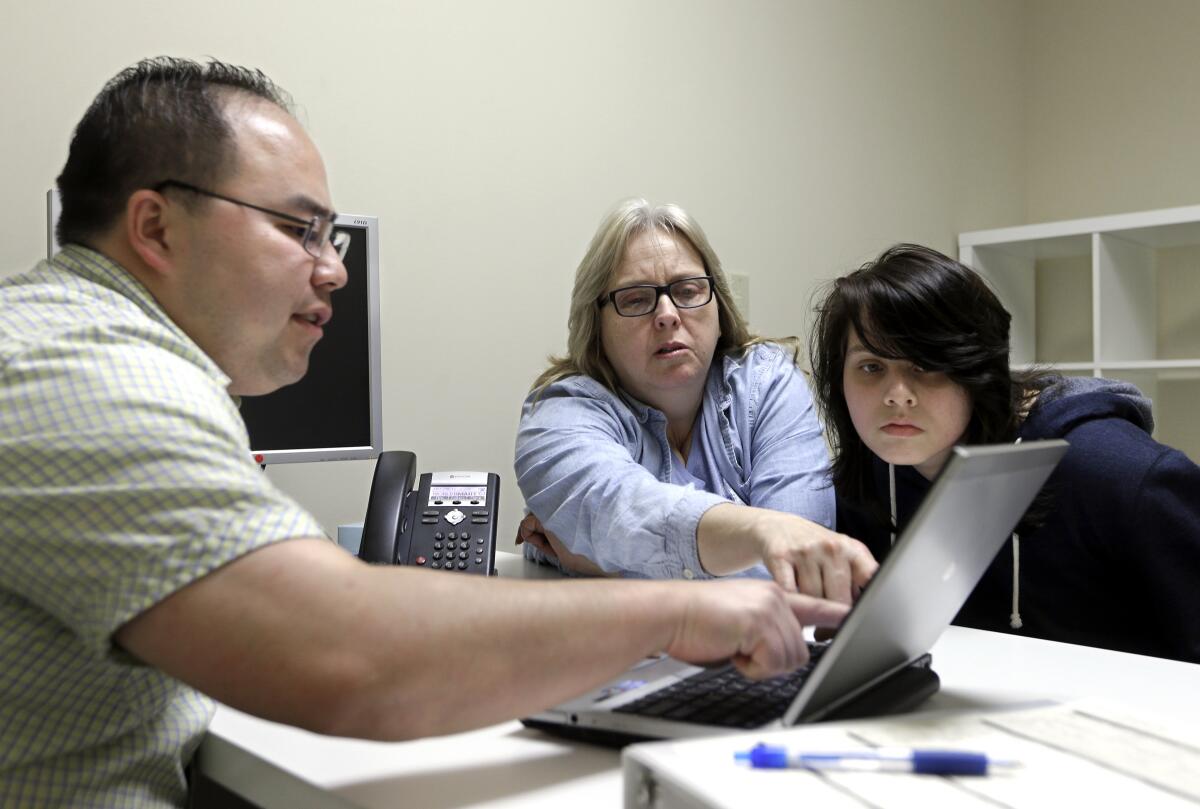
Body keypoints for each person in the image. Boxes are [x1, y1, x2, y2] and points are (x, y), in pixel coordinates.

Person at [0, 59, 850, 808]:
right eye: (299, 229)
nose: (334, 267)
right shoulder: (87, 377)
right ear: (154, 228)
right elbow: (350, 654)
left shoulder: (98, 356)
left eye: (331, 235)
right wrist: (675, 610)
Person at [808, 243, 1200, 663]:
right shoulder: (860, 484)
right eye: (871, 367)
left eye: (926, 366)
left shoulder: (1116, 472)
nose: (896, 396)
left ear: (979, 370)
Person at [514, 199, 877, 600]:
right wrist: (762, 534)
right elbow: (614, 505)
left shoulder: (766, 382)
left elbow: (798, 574)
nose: (667, 314)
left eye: (688, 291)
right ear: (596, 325)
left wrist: (607, 567)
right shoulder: (559, 411)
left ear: (718, 305)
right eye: (635, 299)